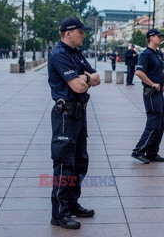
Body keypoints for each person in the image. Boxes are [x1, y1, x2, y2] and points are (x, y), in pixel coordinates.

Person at [48, 17, 101, 229]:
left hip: (79, 114)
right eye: (81, 31)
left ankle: (71, 203)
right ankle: (59, 213)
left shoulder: (76, 54)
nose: (84, 35)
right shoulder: (59, 54)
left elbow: (96, 77)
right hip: (65, 115)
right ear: (68, 33)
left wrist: (85, 79)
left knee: (80, 161)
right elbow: (79, 87)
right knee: (64, 163)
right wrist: (86, 80)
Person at [132, 29, 164, 164]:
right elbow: (139, 72)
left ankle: (152, 152)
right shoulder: (145, 54)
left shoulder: (157, 53)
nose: (160, 38)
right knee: (153, 123)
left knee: (160, 123)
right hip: (151, 93)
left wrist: (163, 82)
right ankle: (138, 151)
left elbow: (160, 70)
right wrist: (152, 84)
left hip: (159, 92)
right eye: (159, 36)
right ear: (151, 38)